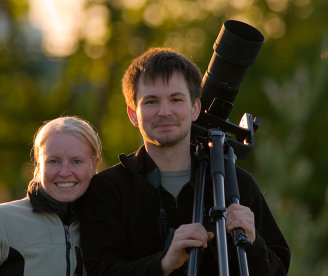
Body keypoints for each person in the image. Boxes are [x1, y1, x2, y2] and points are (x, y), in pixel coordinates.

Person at [80, 48, 290, 275]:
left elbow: (278, 269)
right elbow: (98, 270)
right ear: (133, 114)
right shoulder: (108, 190)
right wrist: (164, 264)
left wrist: (253, 241)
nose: (165, 111)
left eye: (176, 99)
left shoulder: (235, 185)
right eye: (151, 102)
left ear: (195, 108)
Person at [0, 116, 101, 276]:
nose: (64, 172)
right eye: (53, 161)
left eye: (76, 161)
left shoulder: (104, 224)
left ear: (94, 165)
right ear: (38, 166)